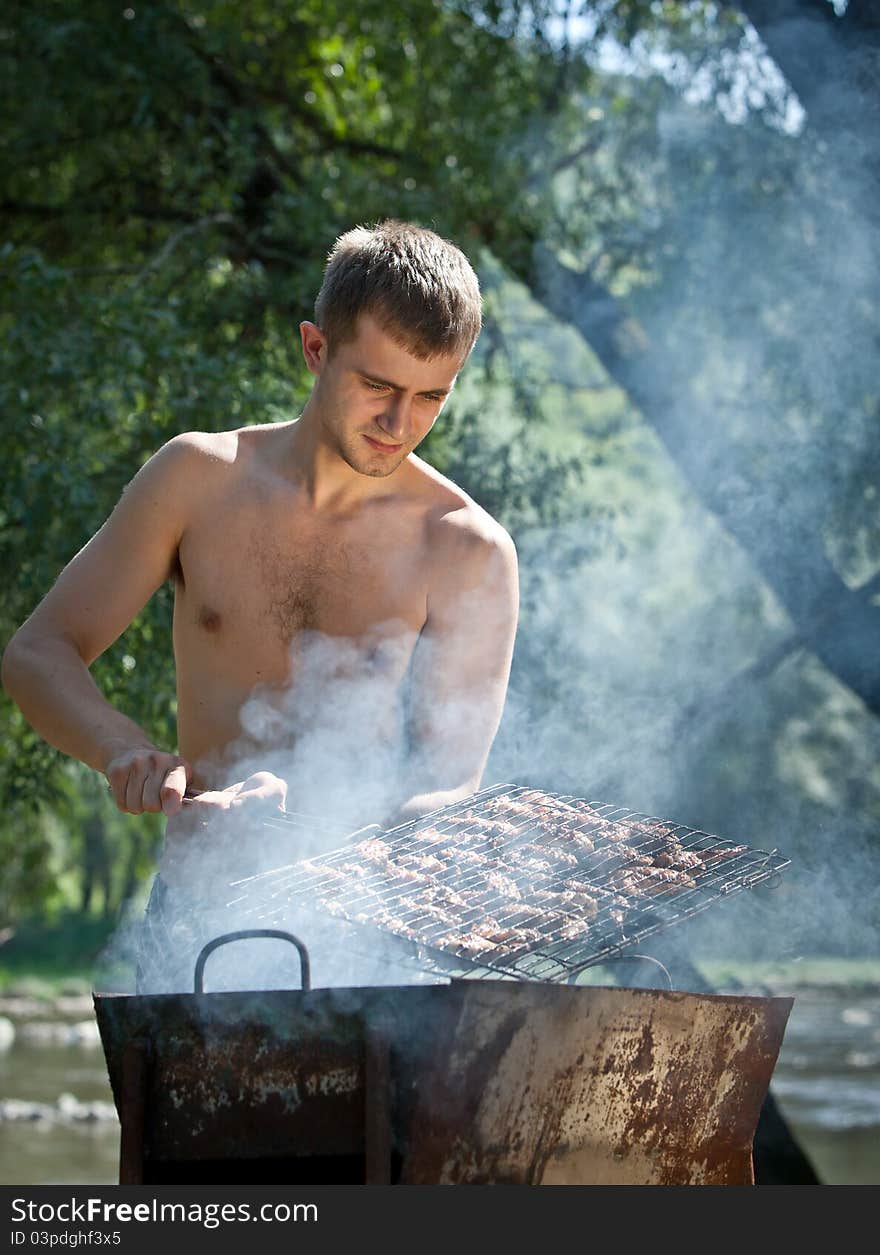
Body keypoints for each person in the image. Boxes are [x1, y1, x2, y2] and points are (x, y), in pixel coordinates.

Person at [1, 219, 519, 989]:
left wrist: (315, 821)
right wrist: (124, 751)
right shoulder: (196, 477)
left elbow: (446, 787)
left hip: (365, 939)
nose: (399, 424)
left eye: (429, 397)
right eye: (377, 385)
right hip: (195, 911)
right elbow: (38, 652)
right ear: (316, 349)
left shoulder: (466, 547)